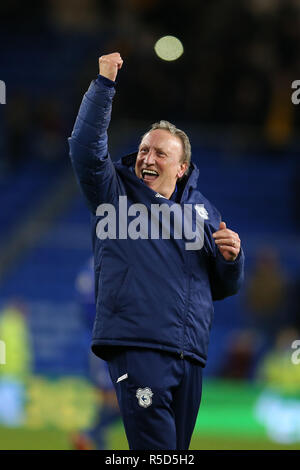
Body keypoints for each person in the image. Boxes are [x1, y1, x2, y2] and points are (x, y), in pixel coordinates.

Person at [68, 52, 244, 450]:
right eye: (145, 150)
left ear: (181, 168)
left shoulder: (204, 212)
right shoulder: (115, 194)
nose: (147, 158)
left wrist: (233, 260)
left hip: (190, 355)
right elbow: (84, 148)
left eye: (160, 154)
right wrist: (104, 84)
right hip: (140, 348)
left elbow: (221, 285)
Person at [71, 257, 120, 450]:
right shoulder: (103, 265)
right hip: (102, 342)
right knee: (118, 400)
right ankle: (90, 434)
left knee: (114, 400)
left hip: (101, 341)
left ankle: (94, 438)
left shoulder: (93, 265)